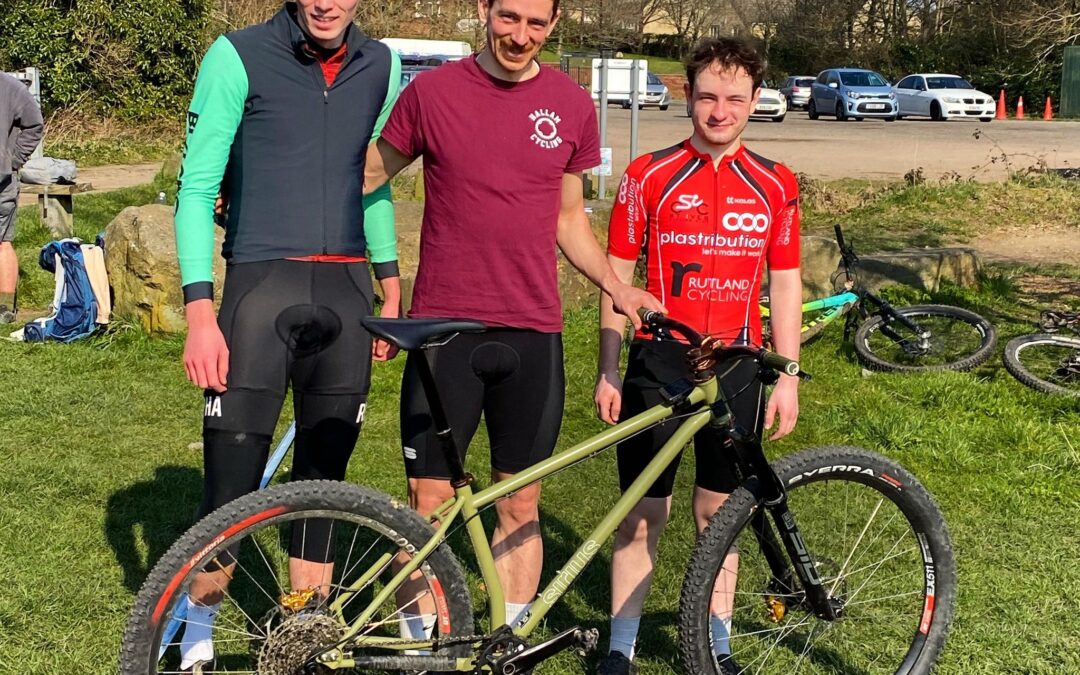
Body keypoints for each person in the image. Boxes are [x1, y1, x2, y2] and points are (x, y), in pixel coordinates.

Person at [363, 0, 663, 635]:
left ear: (553, 24)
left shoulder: (571, 105)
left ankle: (508, 636)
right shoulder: (432, 94)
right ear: (484, 10)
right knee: (429, 502)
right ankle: (421, 646)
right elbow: (366, 176)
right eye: (509, 18)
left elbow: (569, 220)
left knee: (520, 500)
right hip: (443, 328)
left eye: (535, 23)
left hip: (531, 330)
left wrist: (617, 287)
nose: (520, 36)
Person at [172, 0, 401, 671]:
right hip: (257, 290)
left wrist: (390, 281)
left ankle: (301, 636)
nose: (327, 3)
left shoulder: (382, 65)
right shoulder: (235, 55)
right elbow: (195, 188)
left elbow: (374, 183)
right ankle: (197, 636)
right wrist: (198, 310)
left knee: (324, 481)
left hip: (346, 294)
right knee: (231, 484)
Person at [593, 37, 802, 675]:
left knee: (720, 513)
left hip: (737, 366)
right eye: (708, 96)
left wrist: (787, 374)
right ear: (688, 95)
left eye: (734, 98)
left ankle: (714, 645)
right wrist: (607, 366)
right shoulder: (646, 174)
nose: (720, 110)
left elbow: (786, 280)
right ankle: (621, 649)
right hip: (658, 364)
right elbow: (616, 275)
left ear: (755, 101)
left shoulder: (776, 182)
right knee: (640, 515)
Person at [0, 72, 44, 324]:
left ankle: (4, 308)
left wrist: (13, 160)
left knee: (2, 242)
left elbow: (34, 124)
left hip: (1, 180)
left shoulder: (10, 87)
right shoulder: (12, 86)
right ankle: (4, 309)